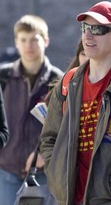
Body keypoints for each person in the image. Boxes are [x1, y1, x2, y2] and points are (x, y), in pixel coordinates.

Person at [39, 1, 111, 205]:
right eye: (85, 28)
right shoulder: (68, 84)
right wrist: (57, 177)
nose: (88, 35)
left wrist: (109, 189)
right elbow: (49, 139)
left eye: (98, 29)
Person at [0, 14, 63, 205]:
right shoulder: (2, 77)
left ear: (46, 41)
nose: (29, 45)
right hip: (5, 172)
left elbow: (64, 129)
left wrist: (45, 154)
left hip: (42, 174)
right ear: (16, 43)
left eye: (34, 39)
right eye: (23, 40)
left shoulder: (59, 81)